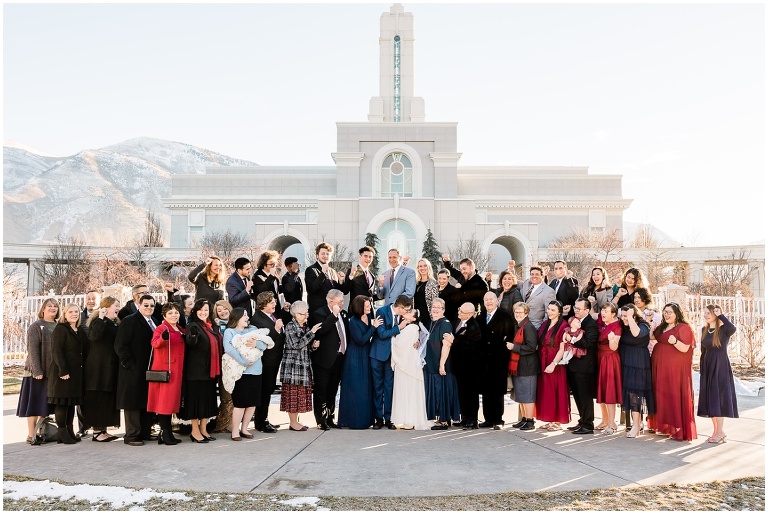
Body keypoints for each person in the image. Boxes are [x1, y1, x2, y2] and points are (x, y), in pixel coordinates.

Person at [647, 302, 697, 442]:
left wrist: (675, 341)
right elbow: (652, 337)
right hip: (659, 367)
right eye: (665, 312)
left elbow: (685, 349)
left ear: (677, 313)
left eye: (670, 312)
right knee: (661, 395)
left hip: (674, 369)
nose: (666, 314)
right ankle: (663, 426)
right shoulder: (663, 326)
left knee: (672, 395)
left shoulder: (683, 328)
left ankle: (676, 428)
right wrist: (649, 322)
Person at [115, 294, 160, 446]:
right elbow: (120, 345)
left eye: (151, 305)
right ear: (139, 305)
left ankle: (145, 432)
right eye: (146, 305)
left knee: (146, 400)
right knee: (132, 402)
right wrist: (129, 364)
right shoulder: (130, 321)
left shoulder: (154, 321)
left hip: (149, 368)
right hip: (133, 369)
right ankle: (131, 435)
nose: (149, 308)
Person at [223, 308, 270, 441]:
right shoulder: (229, 332)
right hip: (240, 372)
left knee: (252, 403)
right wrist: (243, 361)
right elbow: (229, 348)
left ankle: (245, 429)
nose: (247, 317)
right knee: (240, 403)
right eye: (244, 315)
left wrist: (256, 343)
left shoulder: (253, 329)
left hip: (256, 371)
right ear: (236, 317)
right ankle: (235, 431)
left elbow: (265, 344)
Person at [16, 298, 59, 444]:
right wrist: (37, 371)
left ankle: (41, 432)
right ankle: (30, 435)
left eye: (55, 306)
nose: (52, 308)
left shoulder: (58, 325)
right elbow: (32, 350)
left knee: (45, 405)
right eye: (49, 306)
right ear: (43, 309)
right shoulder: (36, 326)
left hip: (52, 373)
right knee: (34, 404)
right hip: (37, 373)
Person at [179, 299, 222, 443]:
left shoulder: (212, 326)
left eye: (206, 310)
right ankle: (195, 431)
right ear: (195, 311)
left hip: (210, 372)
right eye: (200, 309)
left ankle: (204, 429)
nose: (203, 312)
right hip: (195, 372)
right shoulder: (193, 326)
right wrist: (192, 336)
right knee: (195, 403)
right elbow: (191, 342)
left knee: (207, 402)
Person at [338, 295, 382, 429]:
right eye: (367, 306)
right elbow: (361, 340)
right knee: (356, 388)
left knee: (365, 388)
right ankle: (354, 421)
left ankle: (366, 419)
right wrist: (373, 328)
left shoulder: (368, 317)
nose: (370, 307)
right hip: (355, 357)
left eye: (370, 305)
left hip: (365, 355)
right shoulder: (353, 321)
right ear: (360, 307)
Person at [48, 303, 89, 444]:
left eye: (76, 311)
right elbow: (56, 351)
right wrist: (63, 370)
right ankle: (62, 433)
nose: (74, 314)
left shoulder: (79, 330)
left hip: (76, 373)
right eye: (70, 312)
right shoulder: (61, 329)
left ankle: (70, 431)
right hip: (63, 373)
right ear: (64, 314)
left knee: (71, 403)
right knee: (62, 403)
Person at [309, 289, 350, 430]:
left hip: (339, 358)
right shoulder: (319, 313)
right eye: (340, 302)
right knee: (322, 390)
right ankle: (321, 420)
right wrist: (333, 315)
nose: (342, 304)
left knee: (333, 389)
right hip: (324, 359)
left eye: (342, 301)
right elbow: (322, 330)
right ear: (331, 302)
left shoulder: (343, 314)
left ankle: (330, 417)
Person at [370, 295, 412, 429]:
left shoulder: (403, 316)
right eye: (406, 310)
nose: (407, 312)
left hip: (393, 357)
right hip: (378, 355)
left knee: (389, 387)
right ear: (399, 308)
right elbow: (381, 334)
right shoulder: (381, 312)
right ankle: (378, 418)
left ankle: (388, 418)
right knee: (378, 388)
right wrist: (399, 327)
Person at [82, 297, 122, 442]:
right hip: (98, 368)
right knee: (98, 397)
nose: (118, 308)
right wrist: (101, 317)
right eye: (115, 305)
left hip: (110, 366)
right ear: (106, 307)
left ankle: (103, 429)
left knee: (107, 398)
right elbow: (95, 336)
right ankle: (97, 431)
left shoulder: (115, 323)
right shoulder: (97, 322)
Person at [697, 305, 738, 444]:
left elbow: (733, 328)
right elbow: (703, 351)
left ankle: (720, 432)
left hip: (720, 367)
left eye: (709, 313)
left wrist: (721, 315)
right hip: (708, 368)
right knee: (711, 400)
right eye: (705, 313)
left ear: (715, 314)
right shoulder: (704, 330)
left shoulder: (724, 330)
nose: (706, 315)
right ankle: (717, 431)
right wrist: (702, 368)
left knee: (718, 399)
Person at [147, 302, 186, 446]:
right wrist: (163, 338)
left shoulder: (180, 328)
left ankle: (167, 433)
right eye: (170, 313)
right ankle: (165, 433)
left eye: (176, 312)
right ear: (164, 315)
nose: (174, 315)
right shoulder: (161, 328)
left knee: (171, 403)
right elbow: (155, 343)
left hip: (176, 370)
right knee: (165, 403)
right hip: (165, 371)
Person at [280, 301, 322, 431]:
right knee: (293, 395)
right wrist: (312, 333)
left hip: (303, 365)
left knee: (299, 395)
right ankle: (293, 422)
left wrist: (313, 347)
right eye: (303, 314)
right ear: (295, 314)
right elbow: (296, 345)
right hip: (293, 366)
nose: (306, 316)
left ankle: (295, 421)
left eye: (306, 313)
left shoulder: (305, 326)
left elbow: (305, 347)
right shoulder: (290, 326)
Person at [249, 291, 286, 433]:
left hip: (274, 359)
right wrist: (276, 329)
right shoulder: (257, 319)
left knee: (268, 390)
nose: (274, 304)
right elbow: (263, 339)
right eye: (272, 302)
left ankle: (264, 419)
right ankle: (261, 422)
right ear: (263, 304)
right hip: (266, 360)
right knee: (264, 391)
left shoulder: (271, 316)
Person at [390, 308, 431, 430]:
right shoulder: (412, 328)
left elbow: (399, 344)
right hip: (408, 361)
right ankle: (408, 418)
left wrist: (392, 337)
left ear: (413, 319)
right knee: (408, 390)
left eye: (409, 313)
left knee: (408, 389)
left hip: (407, 363)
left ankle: (409, 419)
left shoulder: (411, 328)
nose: (406, 313)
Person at [618, 304, 655, 438]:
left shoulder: (643, 325)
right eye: (622, 316)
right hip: (626, 362)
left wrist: (630, 317)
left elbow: (636, 333)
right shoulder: (623, 326)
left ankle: (636, 425)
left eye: (626, 316)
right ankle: (637, 423)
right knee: (628, 393)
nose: (623, 319)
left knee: (636, 393)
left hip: (638, 362)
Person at [478, 292, 514, 429]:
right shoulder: (480, 317)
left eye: (491, 299)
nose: (488, 302)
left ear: (496, 301)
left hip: (499, 359)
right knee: (486, 391)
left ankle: (498, 420)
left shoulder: (505, 316)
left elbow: (509, 336)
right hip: (484, 360)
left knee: (497, 391)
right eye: (486, 299)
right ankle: (488, 419)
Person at [423, 298, 460, 429]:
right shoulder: (430, 322)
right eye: (434, 307)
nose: (436, 309)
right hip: (430, 362)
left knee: (441, 391)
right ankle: (441, 418)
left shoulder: (444, 323)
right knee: (435, 390)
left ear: (443, 309)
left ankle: (443, 421)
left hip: (441, 363)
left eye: (439, 307)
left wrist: (442, 364)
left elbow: (447, 344)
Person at [566, 298, 600, 435]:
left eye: (579, 309)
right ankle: (582, 420)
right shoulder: (575, 321)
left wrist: (572, 340)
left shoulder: (590, 324)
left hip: (584, 366)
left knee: (585, 396)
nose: (576, 310)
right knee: (578, 395)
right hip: (574, 365)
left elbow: (589, 342)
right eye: (575, 307)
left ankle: (588, 424)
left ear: (587, 310)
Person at [535, 301, 569, 431]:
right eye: (548, 309)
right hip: (543, 359)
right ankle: (549, 419)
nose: (549, 312)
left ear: (559, 312)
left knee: (556, 390)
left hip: (555, 361)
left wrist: (553, 364)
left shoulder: (563, 326)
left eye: (553, 310)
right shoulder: (545, 323)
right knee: (545, 391)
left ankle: (558, 421)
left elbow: (562, 349)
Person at [508, 302, 540, 431]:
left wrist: (514, 347)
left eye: (520, 312)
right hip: (519, 366)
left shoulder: (529, 327)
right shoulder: (519, 326)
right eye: (516, 312)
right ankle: (524, 419)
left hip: (528, 366)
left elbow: (532, 347)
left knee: (528, 395)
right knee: (521, 394)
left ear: (526, 313)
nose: (518, 314)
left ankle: (530, 420)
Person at [451, 302, 483, 429]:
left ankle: (472, 419)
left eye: (462, 312)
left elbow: (471, 346)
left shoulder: (474, 326)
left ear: (470, 314)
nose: (459, 313)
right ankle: (464, 416)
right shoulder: (458, 322)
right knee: (462, 393)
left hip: (470, 367)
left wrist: (454, 341)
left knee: (471, 394)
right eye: (459, 310)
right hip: (460, 365)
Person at [596, 303, 622, 435]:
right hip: (601, 358)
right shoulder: (604, 323)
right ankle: (605, 419)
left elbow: (614, 347)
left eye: (606, 311)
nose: (603, 313)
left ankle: (612, 423)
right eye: (602, 310)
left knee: (610, 390)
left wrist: (612, 339)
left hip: (610, 359)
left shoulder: (616, 326)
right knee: (602, 390)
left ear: (613, 314)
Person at [305, 242, 348, 315]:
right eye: (323, 253)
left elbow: (340, 292)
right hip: (318, 312)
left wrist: (341, 281)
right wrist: (322, 274)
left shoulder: (333, 271)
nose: (325, 256)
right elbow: (312, 289)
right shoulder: (311, 270)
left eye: (328, 254)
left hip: (333, 311)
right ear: (317, 255)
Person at [212, 299, 234, 433]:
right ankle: (223, 423)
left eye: (224, 309)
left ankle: (233, 421)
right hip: (222, 364)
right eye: (218, 311)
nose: (222, 312)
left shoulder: (237, 323)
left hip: (237, 364)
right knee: (226, 395)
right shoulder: (215, 326)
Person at [253, 250, 290, 322]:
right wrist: (271, 276)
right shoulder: (258, 276)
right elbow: (261, 290)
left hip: (276, 307)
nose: (274, 266)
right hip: (265, 309)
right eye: (271, 264)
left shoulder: (274, 276)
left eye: (275, 264)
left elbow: (276, 290)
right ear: (264, 264)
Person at [413, 258, 439, 326]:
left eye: (425, 266)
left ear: (428, 267)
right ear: (418, 268)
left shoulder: (432, 283)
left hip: (427, 317)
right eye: (420, 266)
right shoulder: (416, 283)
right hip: (415, 316)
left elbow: (435, 302)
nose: (422, 268)